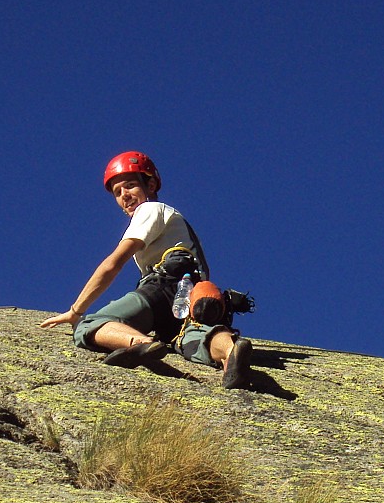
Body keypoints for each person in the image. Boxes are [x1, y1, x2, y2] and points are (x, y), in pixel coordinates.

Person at [39, 151, 252, 389]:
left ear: (150, 184)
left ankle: (139, 343)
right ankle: (231, 351)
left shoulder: (150, 210)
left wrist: (76, 311)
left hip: (165, 286)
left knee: (88, 326)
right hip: (190, 297)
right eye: (118, 193)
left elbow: (114, 263)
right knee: (192, 338)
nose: (124, 196)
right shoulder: (174, 223)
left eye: (130, 186)